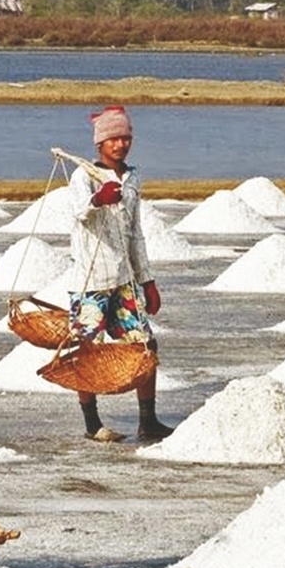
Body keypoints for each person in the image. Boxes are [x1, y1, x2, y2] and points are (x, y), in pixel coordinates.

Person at [64, 105, 174, 444]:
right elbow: (79, 214)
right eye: (113, 138)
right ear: (100, 143)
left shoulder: (133, 177)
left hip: (125, 279)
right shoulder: (84, 176)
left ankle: (148, 421)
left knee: (145, 346)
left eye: (126, 138)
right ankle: (92, 423)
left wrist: (148, 280)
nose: (121, 144)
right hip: (91, 281)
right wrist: (98, 199)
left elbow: (135, 232)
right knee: (86, 349)